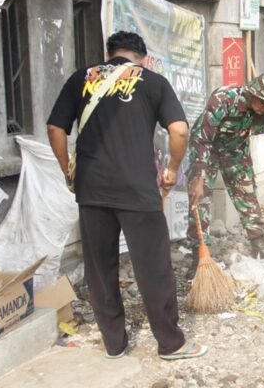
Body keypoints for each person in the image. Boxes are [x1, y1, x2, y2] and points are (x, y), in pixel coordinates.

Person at [47, 31, 207, 360]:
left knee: (100, 269)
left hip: (91, 189)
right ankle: (170, 343)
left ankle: (114, 344)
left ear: (109, 55)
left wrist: (67, 170)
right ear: (142, 57)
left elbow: (55, 128)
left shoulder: (81, 78)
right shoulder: (153, 81)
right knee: (153, 266)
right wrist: (173, 168)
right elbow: (179, 130)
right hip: (137, 189)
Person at [186, 72, 264, 276]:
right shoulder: (224, 99)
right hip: (206, 151)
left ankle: (258, 245)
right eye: (263, 102)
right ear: (252, 93)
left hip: (236, 151)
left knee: (248, 195)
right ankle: (198, 254)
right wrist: (198, 175)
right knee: (199, 201)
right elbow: (202, 138)